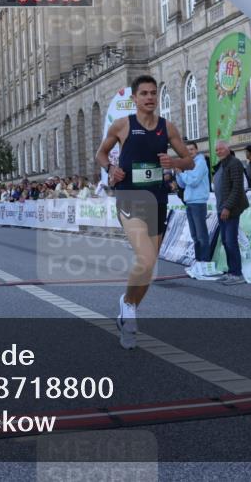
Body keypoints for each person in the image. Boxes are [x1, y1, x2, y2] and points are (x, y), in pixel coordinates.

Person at [95, 75, 194, 350]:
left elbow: (189, 162)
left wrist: (173, 161)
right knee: (146, 257)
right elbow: (101, 154)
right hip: (129, 197)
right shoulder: (123, 125)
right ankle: (128, 311)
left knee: (149, 268)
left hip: (157, 199)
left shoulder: (167, 128)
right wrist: (110, 169)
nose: (150, 98)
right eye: (144, 94)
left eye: (153, 93)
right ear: (135, 98)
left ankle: (128, 306)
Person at [212, 141, 250, 284]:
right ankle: (231, 271)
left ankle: (237, 274)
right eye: (217, 149)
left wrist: (227, 207)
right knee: (226, 242)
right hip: (221, 209)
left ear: (228, 149)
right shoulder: (222, 165)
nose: (218, 151)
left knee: (231, 241)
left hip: (231, 209)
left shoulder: (234, 163)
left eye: (221, 148)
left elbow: (237, 188)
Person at [175, 141, 212, 278]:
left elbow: (194, 181)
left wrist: (182, 174)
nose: (189, 151)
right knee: (195, 235)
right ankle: (198, 261)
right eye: (187, 149)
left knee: (201, 235)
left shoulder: (200, 162)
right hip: (190, 201)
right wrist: (178, 173)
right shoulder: (189, 164)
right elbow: (183, 184)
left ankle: (205, 261)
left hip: (198, 201)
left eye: (191, 149)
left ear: (196, 150)